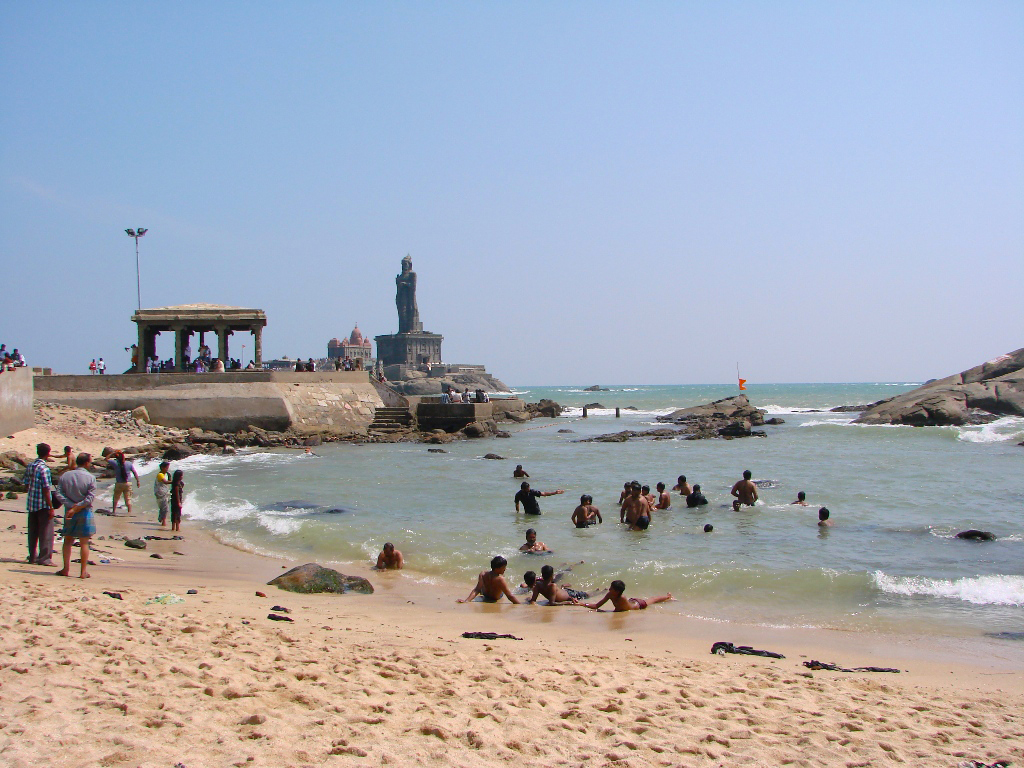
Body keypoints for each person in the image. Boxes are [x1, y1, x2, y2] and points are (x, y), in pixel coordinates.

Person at [56, 453, 97, 579]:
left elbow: (59, 493)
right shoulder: (90, 477)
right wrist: (78, 506)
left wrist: (71, 506)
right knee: (84, 542)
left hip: (69, 510)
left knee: (68, 540)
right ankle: (83, 571)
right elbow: (90, 497)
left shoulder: (66, 475)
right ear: (86, 463)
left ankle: (66, 568)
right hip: (84, 511)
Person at [25, 443, 58, 566]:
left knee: (33, 531)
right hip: (42, 504)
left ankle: (32, 556)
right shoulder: (44, 468)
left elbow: (26, 484)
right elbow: (46, 489)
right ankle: (44, 558)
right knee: (46, 532)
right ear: (48, 453)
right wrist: (51, 507)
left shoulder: (30, 465)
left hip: (31, 502)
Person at [583, 580, 673, 612]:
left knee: (653, 600)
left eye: (611, 588)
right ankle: (668, 597)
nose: (609, 589)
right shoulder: (610, 594)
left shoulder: (622, 599)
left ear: (617, 591)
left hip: (639, 605)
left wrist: (601, 611)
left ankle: (668, 597)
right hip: (631, 601)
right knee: (652, 599)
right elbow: (596, 606)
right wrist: (581, 604)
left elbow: (616, 612)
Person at [108, 451, 140, 516]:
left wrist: (112, 453)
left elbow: (106, 459)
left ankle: (114, 511)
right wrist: (138, 481)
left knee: (116, 497)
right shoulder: (129, 463)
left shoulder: (115, 463)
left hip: (119, 483)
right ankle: (129, 512)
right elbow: (134, 472)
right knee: (128, 498)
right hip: (127, 483)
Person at [154, 461, 172, 527]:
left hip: (165, 492)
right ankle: (163, 522)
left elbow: (168, 481)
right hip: (160, 493)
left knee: (164, 506)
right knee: (165, 507)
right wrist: (176, 481)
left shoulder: (166, 474)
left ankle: (161, 518)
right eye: (166, 468)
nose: (167, 469)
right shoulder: (160, 475)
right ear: (162, 468)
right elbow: (165, 482)